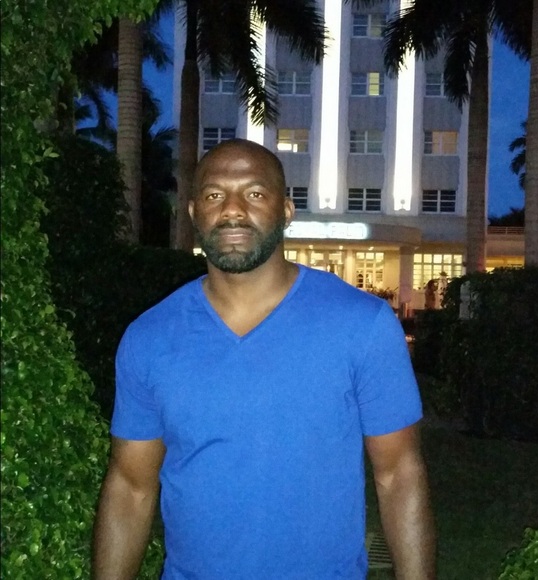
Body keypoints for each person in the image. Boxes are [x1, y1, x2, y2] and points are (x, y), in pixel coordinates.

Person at [92, 139, 436, 580]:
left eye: (254, 193)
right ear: (194, 213)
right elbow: (130, 487)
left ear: (286, 211)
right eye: (214, 195)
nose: (233, 210)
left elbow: (399, 474)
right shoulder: (149, 338)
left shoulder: (362, 324)